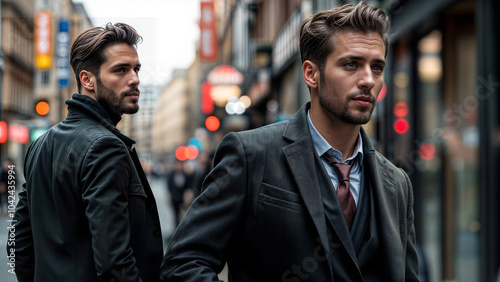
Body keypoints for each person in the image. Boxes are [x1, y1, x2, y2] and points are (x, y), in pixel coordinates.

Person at [161, 2, 419, 281]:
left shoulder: (397, 183)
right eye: (351, 64)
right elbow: (183, 264)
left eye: (377, 67)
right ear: (311, 74)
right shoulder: (251, 155)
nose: (368, 79)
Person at [10, 23, 163, 281]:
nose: (135, 78)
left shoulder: (41, 143)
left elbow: (19, 245)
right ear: (87, 79)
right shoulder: (106, 147)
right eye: (121, 70)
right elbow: (115, 265)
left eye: (136, 69)